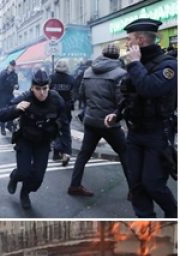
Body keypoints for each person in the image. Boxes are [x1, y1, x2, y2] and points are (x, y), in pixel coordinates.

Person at [105, 18, 177, 218]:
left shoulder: (168, 65)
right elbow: (130, 94)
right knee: (136, 184)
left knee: (152, 183)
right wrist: (117, 114)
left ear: (141, 40)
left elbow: (150, 89)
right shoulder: (134, 65)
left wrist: (135, 63)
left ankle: (173, 213)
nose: (126, 44)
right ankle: (146, 224)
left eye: (129, 40)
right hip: (135, 134)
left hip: (157, 133)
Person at [69, 44, 130, 197]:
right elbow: (121, 100)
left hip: (91, 120)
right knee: (125, 153)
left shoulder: (88, 71)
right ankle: (135, 191)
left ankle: (74, 186)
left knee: (83, 155)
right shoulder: (120, 73)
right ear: (117, 56)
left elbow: (82, 94)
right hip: (109, 122)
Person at [0, 70, 65, 209]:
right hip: (26, 139)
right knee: (23, 172)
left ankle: (25, 192)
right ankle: (15, 177)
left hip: (43, 141)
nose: (42, 93)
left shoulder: (56, 99)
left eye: (45, 88)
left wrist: (65, 147)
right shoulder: (25, 98)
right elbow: (1, 115)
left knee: (38, 177)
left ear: (49, 87)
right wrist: (16, 108)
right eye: (38, 89)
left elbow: (64, 122)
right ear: (32, 88)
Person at [49, 60, 74, 166]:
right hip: (66, 108)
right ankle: (66, 153)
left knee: (55, 130)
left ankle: (56, 152)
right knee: (66, 131)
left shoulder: (51, 77)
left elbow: (47, 92)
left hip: (53, 108)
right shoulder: (71, 79)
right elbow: (74, 94)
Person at [0, 60, 20, 135]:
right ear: (9, 65)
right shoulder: (3, 72)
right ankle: (2, 128)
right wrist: (7, 73)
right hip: (3, 94)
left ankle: (9, 125)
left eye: (14, 66)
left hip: (10, 94)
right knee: (3, 110)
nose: (12, 67)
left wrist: (17, 86)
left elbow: (17, 84)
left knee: (12, 109)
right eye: (11, 66)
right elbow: (0, 83)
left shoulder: (15, 74)